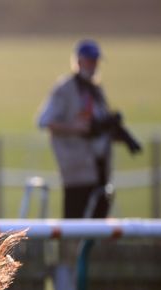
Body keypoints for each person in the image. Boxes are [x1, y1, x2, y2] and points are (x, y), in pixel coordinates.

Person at [37, 39, 142, 218]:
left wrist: (119, 134)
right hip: (77, 172)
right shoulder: (65, 89)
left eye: (96, 61)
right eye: (90, 60)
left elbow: (98, 126)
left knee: (98, 225)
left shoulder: (96, 89)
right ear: (78, 61)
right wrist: (76, 128)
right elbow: (45, 121)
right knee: (75, 225)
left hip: (101, 171)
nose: (93, 65)